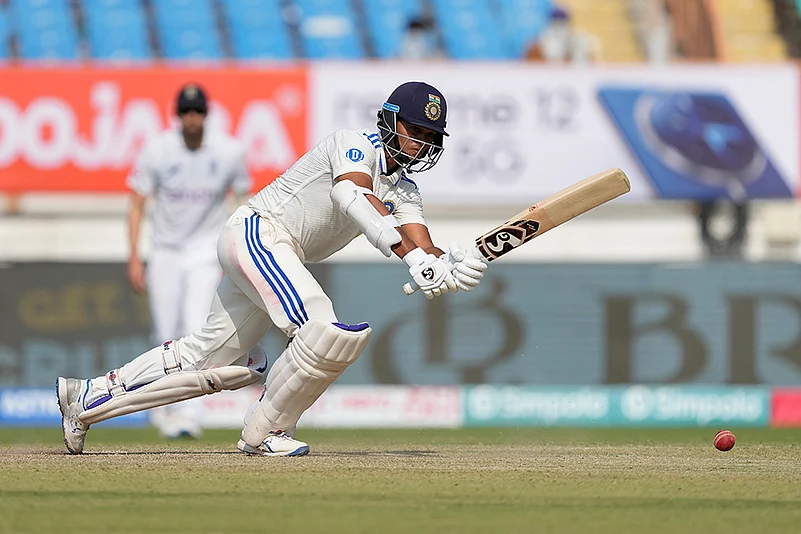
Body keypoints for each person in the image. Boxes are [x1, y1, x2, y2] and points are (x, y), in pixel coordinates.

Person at [57, 81, 487, 457]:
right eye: (416, 130)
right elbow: (352, 196)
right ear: (388, 120)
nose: (422, 142)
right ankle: (266, 431)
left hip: (276, 252)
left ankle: (86, 398)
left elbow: (423, 246)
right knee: (324, 330)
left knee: (204, 358)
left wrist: (448, 267)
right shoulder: (351, 144)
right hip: (259, 233)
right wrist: (413, 258)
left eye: (431, 135)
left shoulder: (405, 190)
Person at [126, 83, 252, 439]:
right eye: (185, 112)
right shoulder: (158, 150)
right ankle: (163, 408)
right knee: (165, 333)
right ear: (177, 115)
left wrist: (242, 253)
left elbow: (242, 203)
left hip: (204, 251)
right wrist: (135, 257)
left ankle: (190, 414)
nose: (192, 118)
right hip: (165, 250)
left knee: (197, 329)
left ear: (206, 115)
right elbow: (136, 203)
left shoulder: (229, 151)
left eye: (197, 112)